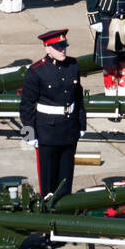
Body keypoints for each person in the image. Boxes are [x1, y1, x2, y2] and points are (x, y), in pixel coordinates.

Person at [20, 29, 86, 201]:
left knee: (66, 178)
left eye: (64, 46)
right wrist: (29, 133)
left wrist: (82, 124)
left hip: (69, 128)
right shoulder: (36, 71)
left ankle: (64, 212)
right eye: (58, 47)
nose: (63, 50)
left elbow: (78, 97)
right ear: (47, 49)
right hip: (47, 132)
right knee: (48, 181)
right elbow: (26, 105)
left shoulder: (73, 65)